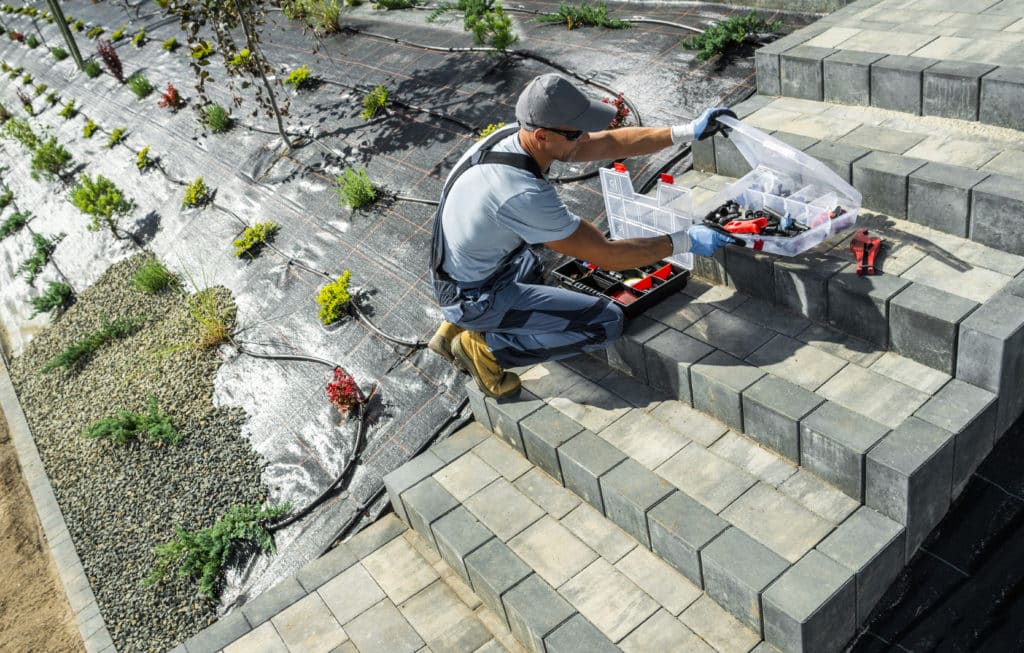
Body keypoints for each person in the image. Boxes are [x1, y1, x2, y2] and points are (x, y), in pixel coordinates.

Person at [428, 72, 735, 398]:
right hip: (476, 293)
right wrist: (687, 241)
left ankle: (457, 325)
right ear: (543, 135)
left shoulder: (513, 137)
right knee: (606, 323)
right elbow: (608, 255)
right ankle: (484, 347)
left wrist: (686, 132)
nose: (586, 138)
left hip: (463, 270)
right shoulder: (521, 193)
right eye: (576, 132)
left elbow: (610, 142)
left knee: (535, 258)